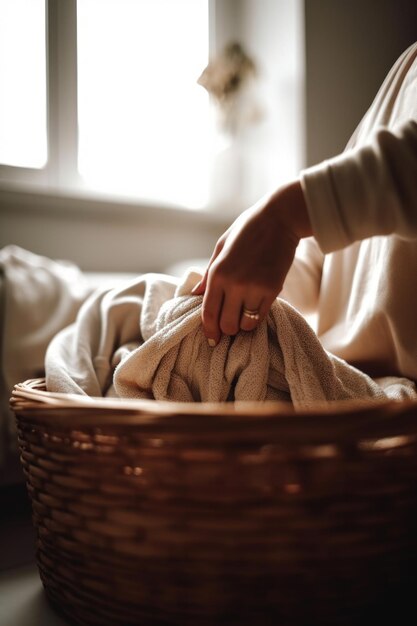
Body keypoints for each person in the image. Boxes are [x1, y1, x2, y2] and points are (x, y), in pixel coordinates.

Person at [192, 42, 417, 381]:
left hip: (388, 410)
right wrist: (237, 299)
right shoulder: (406, 67)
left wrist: (283, 215)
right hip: (342, 383)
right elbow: (334, 260)